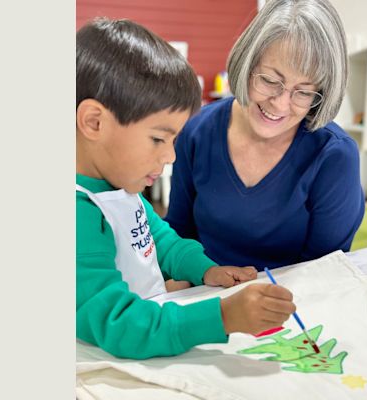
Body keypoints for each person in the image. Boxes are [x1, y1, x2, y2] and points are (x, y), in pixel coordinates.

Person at [76, 18, 296, 360]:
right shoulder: (78, 214)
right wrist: (222, 317)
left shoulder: (119, 188)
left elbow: (161, 241)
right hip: (109, 362)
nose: (171, 155)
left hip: (148, 339)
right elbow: (118, 323)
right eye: (158, 138)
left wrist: (206, 269)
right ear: (94, 122)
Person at [165, 0, 365, 271]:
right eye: (270, 80)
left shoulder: (334, 156)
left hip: (289, 303)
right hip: (207, 297)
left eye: (304, 92)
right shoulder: (197, 132)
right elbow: (178, 235)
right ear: (247, 62)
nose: (280, 104)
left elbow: (325, 272)